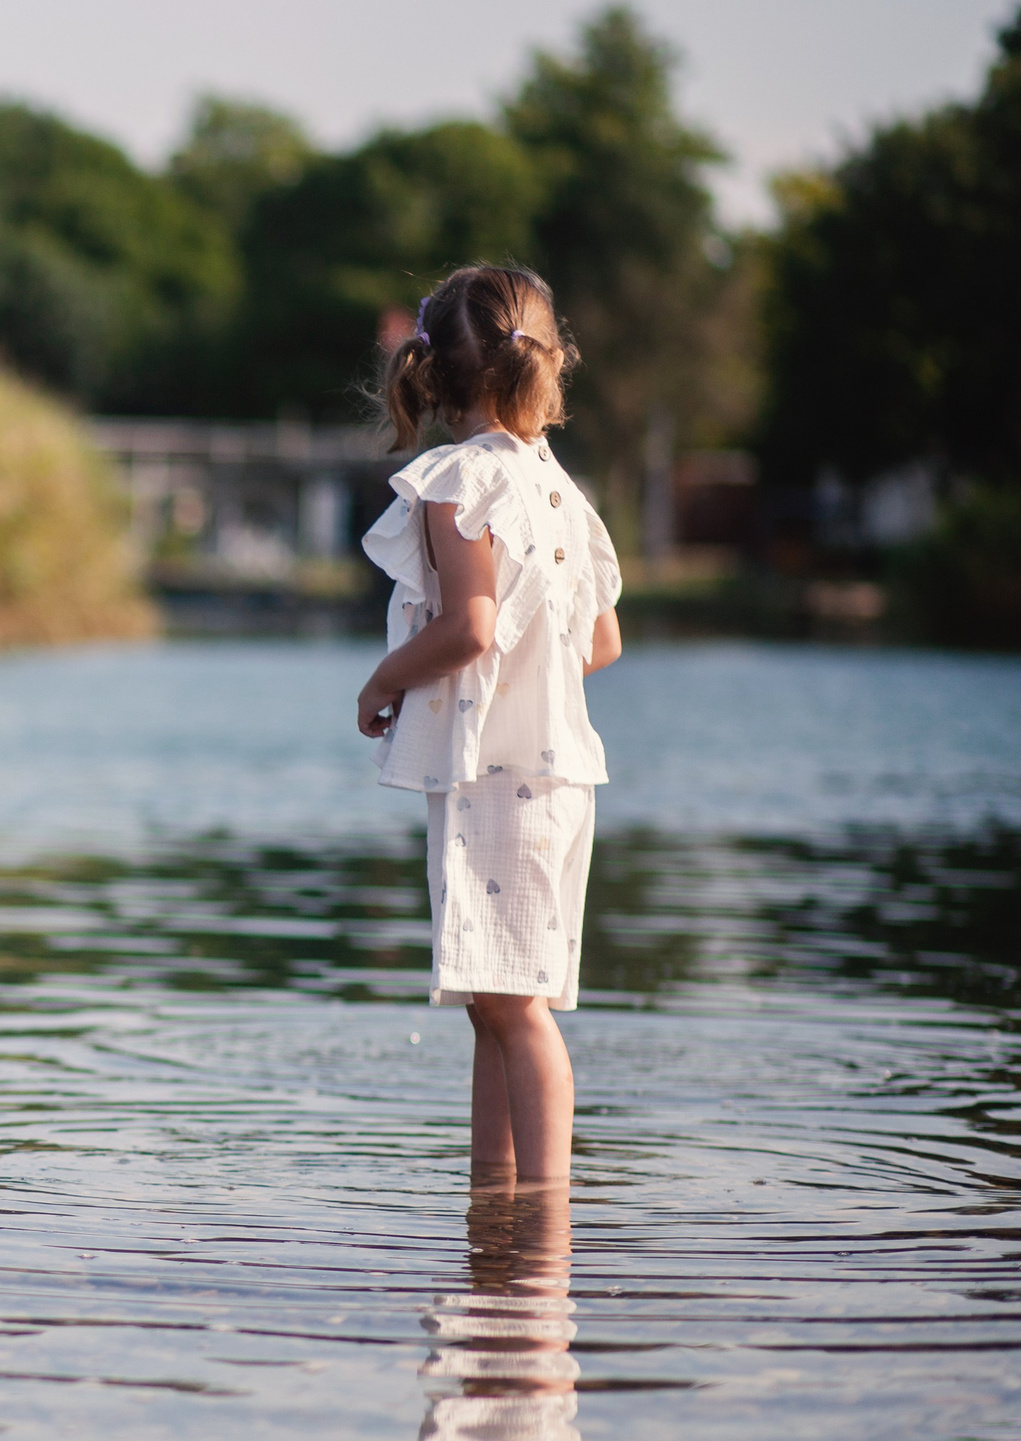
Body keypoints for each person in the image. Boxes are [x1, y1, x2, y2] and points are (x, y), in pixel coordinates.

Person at [353, 265, 623, 1185]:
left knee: (516, 1007)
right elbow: (602, 643)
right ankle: (491, 1193)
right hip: (559, 777)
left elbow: (468, 630)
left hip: (504, 777)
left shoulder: (453, 481)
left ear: (434, 372)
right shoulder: (557, 489)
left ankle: (542, 1220)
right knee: (496, 998)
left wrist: (384, 679)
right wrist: (528, 675)